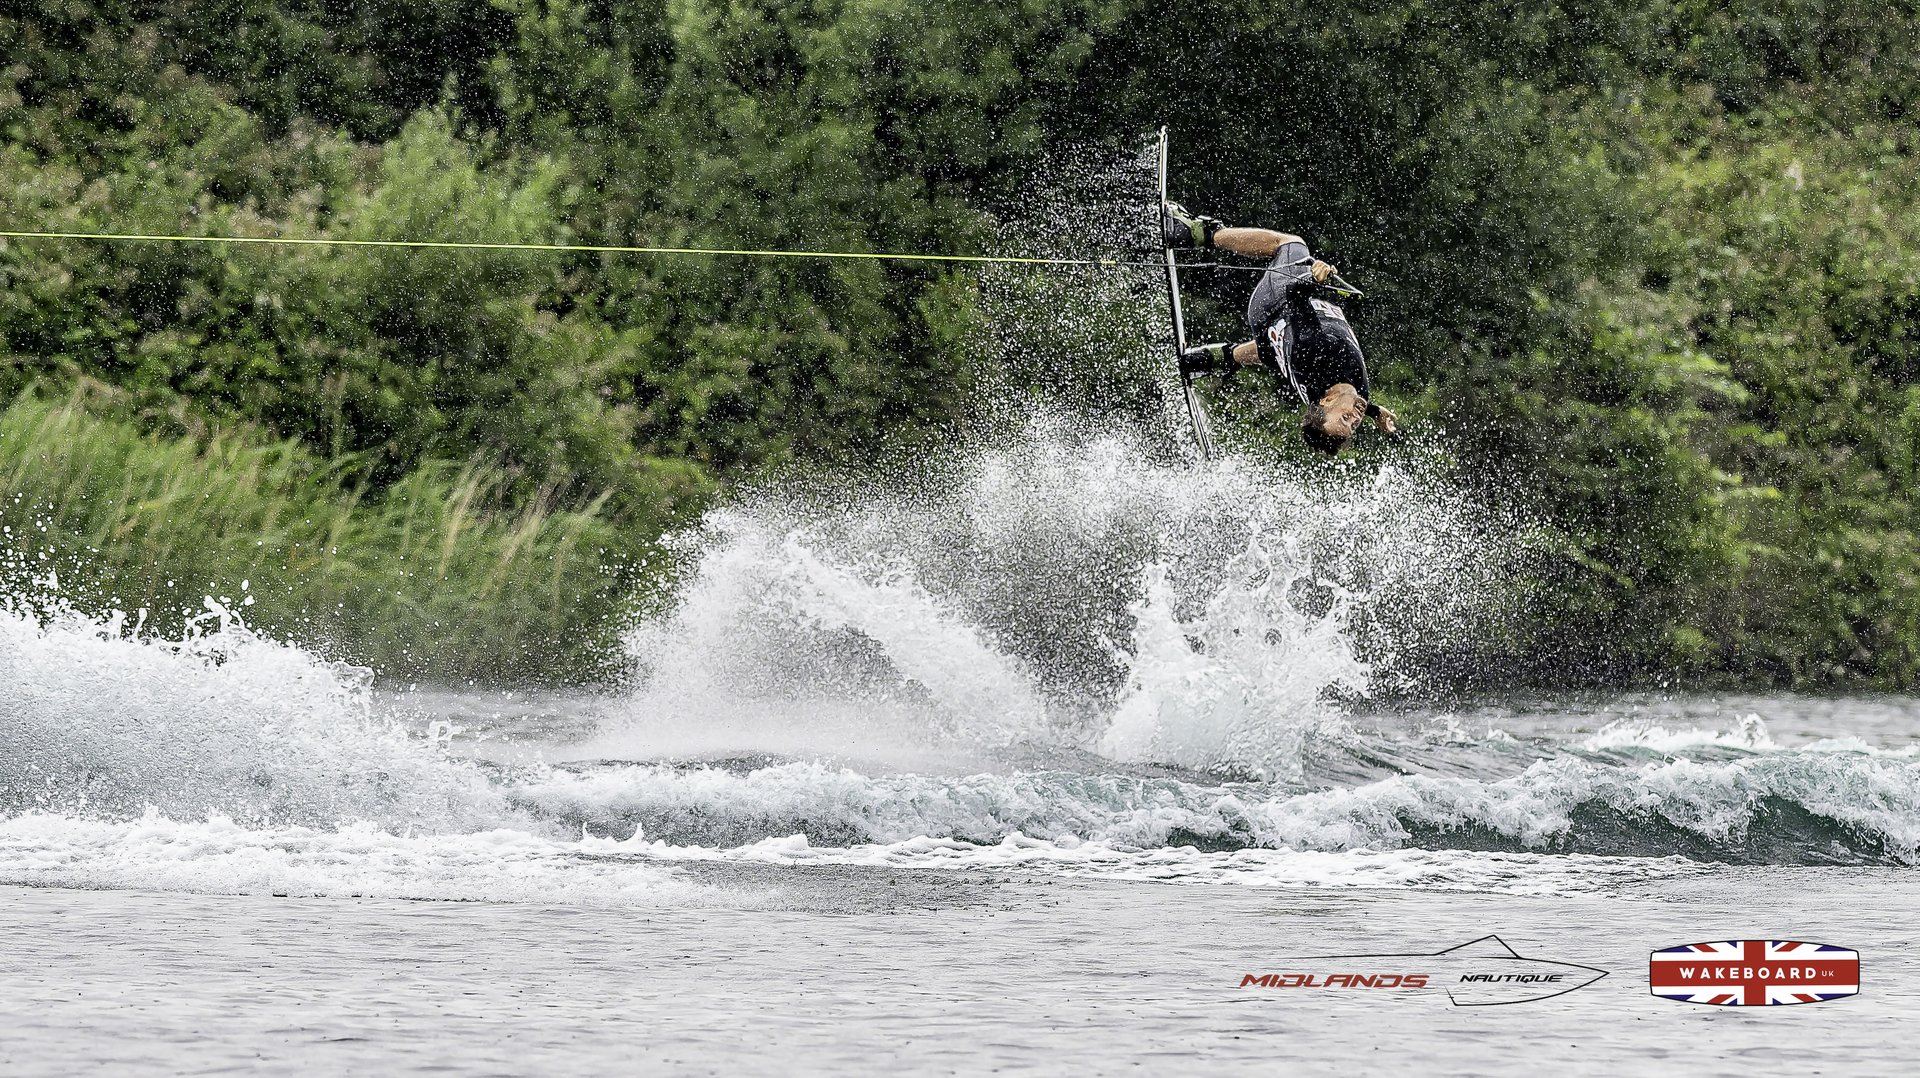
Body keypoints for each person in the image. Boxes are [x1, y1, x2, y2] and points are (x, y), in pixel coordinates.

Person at [1164, 203, 1398, 455]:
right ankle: (1214, 359)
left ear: (1327, 399)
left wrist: (1313, 277)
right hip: (1279, 340)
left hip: (1271, 307)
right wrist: (1375, 411)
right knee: (1272, 351)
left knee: (1291, 244)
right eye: (1352, 426)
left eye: (1345, 419)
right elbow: (1343, 402)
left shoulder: (1316, 347)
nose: (1355, 419)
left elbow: (1294, 293)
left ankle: (1196, 234)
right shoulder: (1353, 394)